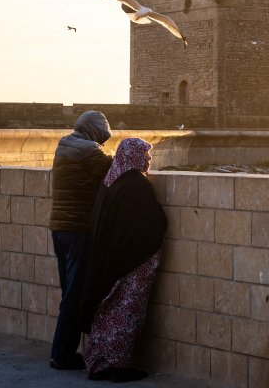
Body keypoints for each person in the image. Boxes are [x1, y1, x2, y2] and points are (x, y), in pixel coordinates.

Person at [79, 137, 167, 382]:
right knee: (126, 312)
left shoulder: (112, 181)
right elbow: (149, 223)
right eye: (145, 154)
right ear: (133, 156)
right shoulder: (137, 185)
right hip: (132, 263)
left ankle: (101, 361)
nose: (148, 159)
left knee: (107, 312)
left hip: (111, 261)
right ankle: (119, 367)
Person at [49, 111, 113, 370]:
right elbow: (113, 169)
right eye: (102, 137)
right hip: (78, 230)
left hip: (59, 228)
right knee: (75, 295)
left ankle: (60, 352)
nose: (103, 143)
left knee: (69, 293)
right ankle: (62, 355)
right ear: (95, 132)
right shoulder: (90, 151)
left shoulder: (63, 144)